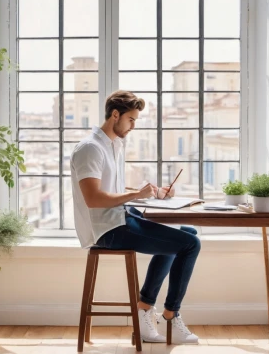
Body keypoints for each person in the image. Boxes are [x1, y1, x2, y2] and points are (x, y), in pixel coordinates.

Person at [70, 90, 201, 344]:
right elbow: (94, 199)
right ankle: (170, 315)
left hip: (119, 218)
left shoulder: (111, 145)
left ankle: (143, 309)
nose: (133, 126)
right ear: (115, 115)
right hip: (107, 230)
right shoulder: (90, 149)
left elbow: (113, 193)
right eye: (131, 120)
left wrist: (149, 193)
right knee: (190, 244)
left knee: (187, 234)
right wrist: (134, 196)